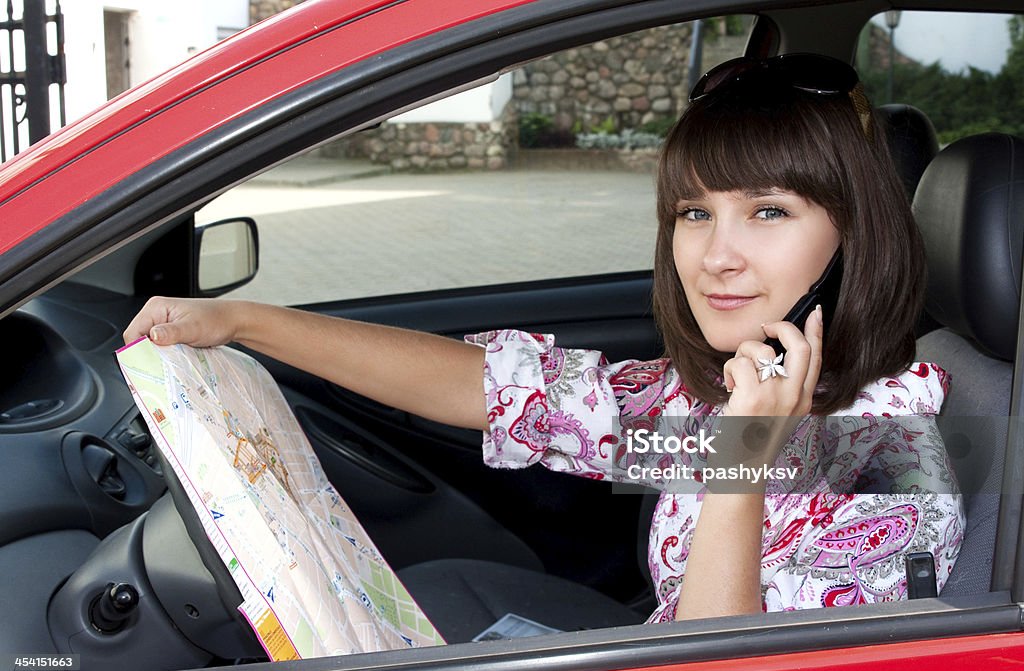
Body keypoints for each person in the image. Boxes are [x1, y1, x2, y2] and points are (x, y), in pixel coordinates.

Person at [125, 53, 964, 624]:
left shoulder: (891, 466)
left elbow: (719, 669)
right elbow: (494, 392)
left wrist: (743, 456)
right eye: (695, 212)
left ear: (850, 237)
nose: (716, 254)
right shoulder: (714, 390)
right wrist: (243, 321)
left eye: (769, 211)